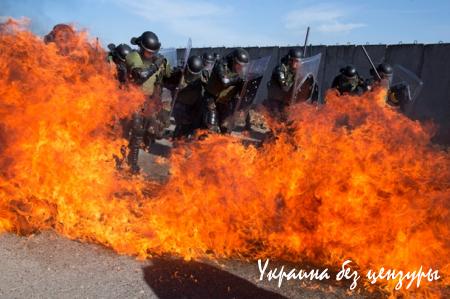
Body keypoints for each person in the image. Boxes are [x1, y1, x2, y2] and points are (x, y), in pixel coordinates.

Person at [125, 31, 172, 173]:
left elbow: (169, 77)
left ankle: (139, 146)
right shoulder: (134, 56)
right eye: (147, 51)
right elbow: (140, 76)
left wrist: (179, 75)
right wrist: (157, 65)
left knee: (153, 131)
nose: (150, 54)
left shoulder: (158, 60)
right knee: (136, 130)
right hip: (133, 99)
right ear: (141, 47)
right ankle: (131, 163)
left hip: (150, 102)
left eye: (153, 52)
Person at [203, 48, 250, 133]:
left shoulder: (241, 71)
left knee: (226, 127)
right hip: (212, 97)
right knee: (211, 124)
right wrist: (239, 79)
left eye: (242, 66)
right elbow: (225, 81)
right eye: (238, 65)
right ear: (233, 60)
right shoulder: (221, 64)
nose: (240, 68)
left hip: (225, 101)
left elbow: (242, 88)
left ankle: (222, 144)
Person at [168, 55, 210, 138]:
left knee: (194, 127)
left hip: (195, 103)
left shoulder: (203, 74)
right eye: (191, 73)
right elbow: (167, 83)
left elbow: (208, 88)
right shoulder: (178, 74)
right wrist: (176, 88)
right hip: (181, 104)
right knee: (182, 127)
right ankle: (177, 143)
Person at [265, 48, 303, 120]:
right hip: (275, 100)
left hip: (286, 100)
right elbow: (285, 87)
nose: (296, 64)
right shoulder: (280, 69)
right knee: (278, 122)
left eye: (298, 62)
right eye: (294, 61)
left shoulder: (295, 71)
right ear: (289, 60)